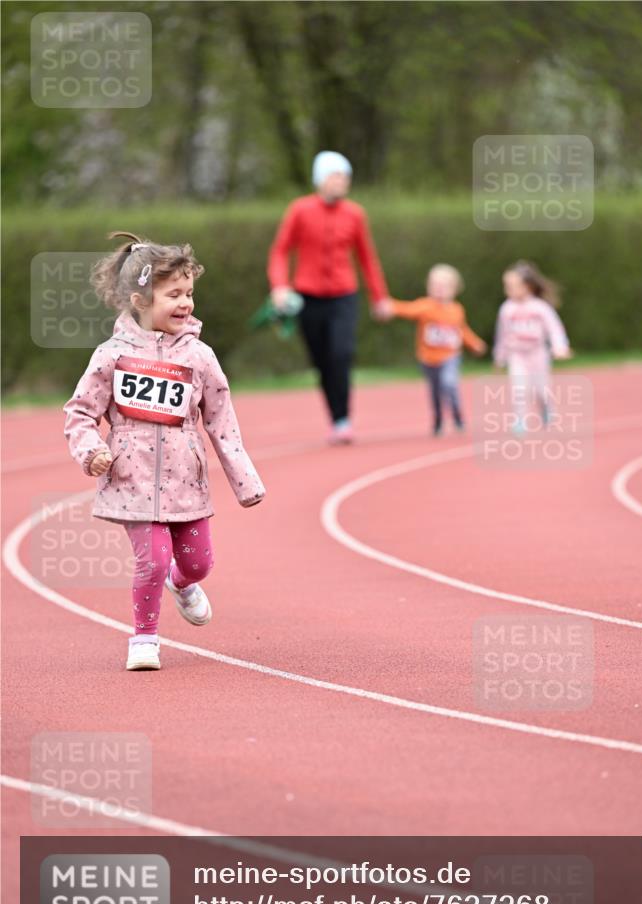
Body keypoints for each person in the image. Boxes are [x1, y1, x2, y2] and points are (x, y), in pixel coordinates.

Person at [63, 232, 265, 671]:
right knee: (151, 560)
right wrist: (91, 450)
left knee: (198, 563)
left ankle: (183, 584)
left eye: (189, 293)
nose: (185, 303)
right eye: (173, 294)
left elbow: (221, 421)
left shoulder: (200, 357)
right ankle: (144, 638)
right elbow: (80, 412)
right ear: (139, 299)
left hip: (185, 482)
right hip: (131, 482)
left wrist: (244, 481)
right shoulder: (110, 356)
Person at [268, 151, 391, 444]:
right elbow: (280, 251)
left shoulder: (355, 214)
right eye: (337, 175)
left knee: (341, 353)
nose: (343, 181)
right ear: (321, 179)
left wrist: (380, 297)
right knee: (322, 360)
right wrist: (280, 286)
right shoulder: (299, 210)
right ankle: (336, 418)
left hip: (344, 296)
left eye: (346, 176)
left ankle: (344, 418)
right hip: (308, 297)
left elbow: (367, 258)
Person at [384, 264, 487, 435]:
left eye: (444, 286)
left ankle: (457, 416)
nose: (439, 290)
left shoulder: (457, 310)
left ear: (454, 289)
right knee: (435, 391)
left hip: (450, 356)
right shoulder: (426, 306)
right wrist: (390, 306)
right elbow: (407, 309)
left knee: (449, 383)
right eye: (434, 285)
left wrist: (475, 343)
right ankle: (438, 420)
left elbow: (461, 330)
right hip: (428, 359)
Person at [493, 260, 572, 432]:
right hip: (517, 355)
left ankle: (546, 409)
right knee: (519, 389)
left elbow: (554, 328)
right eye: (507, 286)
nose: (509, 290)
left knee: (541, 389)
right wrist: (499, 357)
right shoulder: (506, 309)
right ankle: (520, 420)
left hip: (537, 354)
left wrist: (560, 347)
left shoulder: (540, 308)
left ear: (527, 286)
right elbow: (502, 335)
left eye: (513, 286)